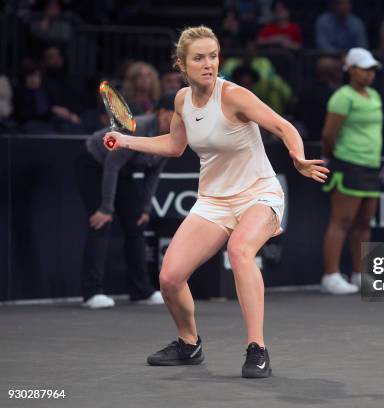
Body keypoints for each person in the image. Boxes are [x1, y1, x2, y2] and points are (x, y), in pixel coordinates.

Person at [103, 26, 327, 378]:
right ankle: (189, 344)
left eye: (213, 56)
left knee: (239, 250)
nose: (208, 64)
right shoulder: (181, 101)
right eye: (199, 58)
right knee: (170, 277)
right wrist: (127, 141)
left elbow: (284, 126)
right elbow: (174, 147)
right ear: (181, 64)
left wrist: (297, 157)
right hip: (214, 201)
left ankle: (257, 348)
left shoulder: (235, 96)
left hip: (258, 193)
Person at [75, 94, 176, 309]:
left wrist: (146, 208)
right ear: (161, 112)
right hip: (94, 163)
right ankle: (92, 292)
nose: (175, 120)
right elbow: (111, 165)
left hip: (124, 172)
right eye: (172, 115)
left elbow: (153, 174)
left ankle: (141, 291)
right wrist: (106, 207)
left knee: (136, 224)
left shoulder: (173, 136)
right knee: (101, 223)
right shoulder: (136, 127)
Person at [320, 48, 383, 295]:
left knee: (364, 223)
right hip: (347, 163)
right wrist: (334, 156)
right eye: (364, 69)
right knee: (341, 222)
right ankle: (331, 275)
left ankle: (359, 274)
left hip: (371, 164)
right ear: (351, 70)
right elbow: (328, 134)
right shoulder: (342, 97)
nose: (369, 74)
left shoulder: (375, 95)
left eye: (372, 70)